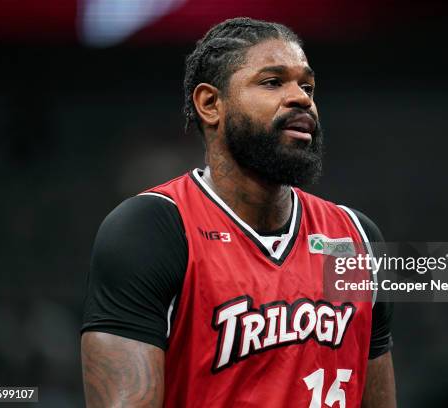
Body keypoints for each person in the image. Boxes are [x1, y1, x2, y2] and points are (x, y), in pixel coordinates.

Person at [81, 17, 396, 407]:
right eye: (272, 82)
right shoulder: (150, 230)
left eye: (307, 85)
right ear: (210, 104)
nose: (301, 98)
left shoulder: (358, 239)